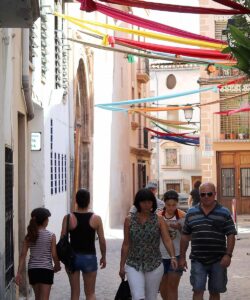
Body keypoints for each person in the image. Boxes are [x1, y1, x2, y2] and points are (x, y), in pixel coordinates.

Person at [179, 182, 237, 300]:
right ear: (199, 195)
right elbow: (185, 236)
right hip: (197, 259)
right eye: (203, 194)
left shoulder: (224, 212)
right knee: (197, 290)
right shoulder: (191, 213)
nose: (206, 197)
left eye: (209, 194)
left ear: (215, 194)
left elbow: (231, 234)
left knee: (215, 292)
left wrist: (228, 255)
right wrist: (182, 257)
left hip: (218, 260)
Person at [119, 188, 177, 300]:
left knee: (151, 297)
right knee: (137, 296)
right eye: (143, 202)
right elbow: (126, 244)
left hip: (154, 264)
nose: (147, 205)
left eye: (149, 202)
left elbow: (167, 240)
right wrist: (122, 266)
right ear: (138, 203)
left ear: (153, 203)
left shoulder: (159, 220)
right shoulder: (129, 220)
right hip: (133, 264)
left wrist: (173, 256)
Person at [60, 188, 106, 300]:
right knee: (90, 293)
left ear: (76, 201)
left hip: (72, 258)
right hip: (89, 257)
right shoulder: (96, 219)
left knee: (74, 293)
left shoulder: (68, 218)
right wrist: (103, 257)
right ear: (89, 201)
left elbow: (62, 239)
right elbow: (102, 241)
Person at [15, 207, 61, 300]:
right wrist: (57, 265)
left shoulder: (29, 236)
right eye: (47, 219)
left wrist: (18, 272)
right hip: (46, 270)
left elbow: (23, 255)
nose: (48, 221)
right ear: (44, 221)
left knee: (37, 298)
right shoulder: (51, 236)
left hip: (33, 270)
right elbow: (54, 254)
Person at [158, 190, 186, 300]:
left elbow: (187, 237)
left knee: (173, 287)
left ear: (177, 203)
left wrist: (180, 228)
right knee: (163, 286)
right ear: (164, 203)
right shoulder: (158, 216)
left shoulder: (182, 216)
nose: (171, 208)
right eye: (168, 205)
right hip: (160, 256)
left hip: (177, 254)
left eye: (174, 205)